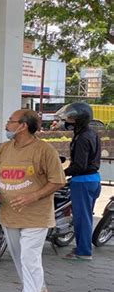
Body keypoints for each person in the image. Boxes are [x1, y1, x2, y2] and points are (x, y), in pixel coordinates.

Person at [0, 109, 66, 292]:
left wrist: (33, 196)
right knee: (20, 257)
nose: (6, 124)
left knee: (29, 258)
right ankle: (38, 288)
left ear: (23, 126)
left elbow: (58, 181)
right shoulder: (3, 148)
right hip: (9, 214)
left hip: (35, 216)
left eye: (10, 121)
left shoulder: (45, 150)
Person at [56, 102, 101, 261]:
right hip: (93, 179)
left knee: (82, 218)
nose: (68, 120)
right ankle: (82, 247)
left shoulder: (82, 138)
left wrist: (61, 173)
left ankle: (83, 252)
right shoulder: (92, 133)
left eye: (71, 117)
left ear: (79, 119)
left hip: (82, 181)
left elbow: (80, 165)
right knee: (86, 216)